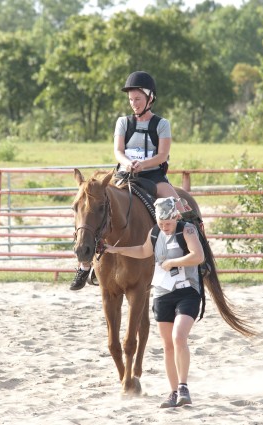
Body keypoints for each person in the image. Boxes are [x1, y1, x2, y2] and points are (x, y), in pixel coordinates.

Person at [70, 70, 185, 291]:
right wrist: (128, 162)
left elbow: (162, 155)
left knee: (179, 208)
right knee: (92, 209)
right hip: (124, 174)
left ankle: (190, 259)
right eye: (131, 99)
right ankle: (84, 265)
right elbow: (118, 151)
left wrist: (144, 164)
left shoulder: (162, 124)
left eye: (138, 99)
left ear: (150, 98)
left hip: (153, 176)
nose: (134, 103)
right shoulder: (123, 122)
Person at [103, 197, 204, 408]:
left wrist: (173, 262)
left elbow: (198, 256)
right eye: (161, 224)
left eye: (168, 223)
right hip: (162, 293)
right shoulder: (155, 232)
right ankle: (173, 391)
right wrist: (116, 250)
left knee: (178, 337)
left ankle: (184, 387)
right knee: (168, 345)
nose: (165, 228)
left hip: (187, 291)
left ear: (176, 217)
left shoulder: (188, 231)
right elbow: (142, 251)